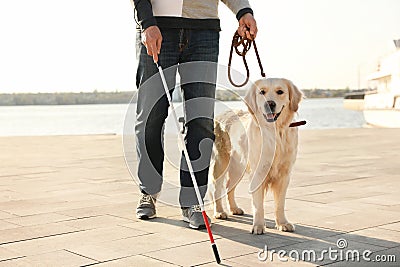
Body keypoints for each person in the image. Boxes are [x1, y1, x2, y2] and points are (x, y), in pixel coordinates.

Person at [133, 0, 257, 229]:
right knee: (150, 117)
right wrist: (146, 22)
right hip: (157, 27)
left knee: (200, 121)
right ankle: (148, 191)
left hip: (204, 32)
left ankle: (193, 202)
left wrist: (243, 12)